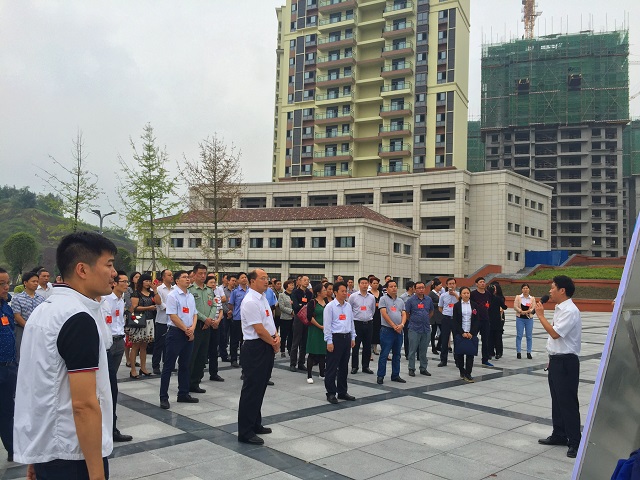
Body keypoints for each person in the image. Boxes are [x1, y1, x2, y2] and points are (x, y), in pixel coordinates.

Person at [14, 232, 116, 479]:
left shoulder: (44, 311)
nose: (114, 273)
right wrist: (97, 474)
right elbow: (84, 405)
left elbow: (36, 388)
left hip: (51, 451)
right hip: (73, 455)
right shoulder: (77, 318)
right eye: (109, 265)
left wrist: (36, 456)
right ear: (82, 269)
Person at [535, 275, 582, 459]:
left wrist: (540, 316)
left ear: (562, 290)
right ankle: (559, 434)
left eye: (553, 287)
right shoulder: (560, 308)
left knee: (568, 403)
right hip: (556, 360)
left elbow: (555, 334)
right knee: (557, 400)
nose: (550, 291)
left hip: (566, 362)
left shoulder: (570, 310)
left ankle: (575, 442)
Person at [237, 269, 279, 445]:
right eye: (262, 278)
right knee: (251, 389)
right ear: (252, 281)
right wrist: (273, 343)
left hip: (266, 344)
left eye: (267, 278)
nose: (266, 281)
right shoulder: (250, 301)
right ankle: (245, 432)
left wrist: (276, 336)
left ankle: (255, 423)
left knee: (260, 387)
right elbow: (259, 329)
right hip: (255, 347)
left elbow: (269, 323)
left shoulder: (263, 298)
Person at [159, 270, 198, 409]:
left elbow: (194, 314)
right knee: (169, 366)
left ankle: (183, 393)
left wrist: (192, 329)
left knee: (185, 365)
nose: (188, 279)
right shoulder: (172, 295)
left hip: (189, 333)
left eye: (188, 277)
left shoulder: (190, 296)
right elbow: (173, 316)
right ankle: (163, 397)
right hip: (176, 333)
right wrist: (186, 329)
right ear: (177, 280)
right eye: (184, 277)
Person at [102, 271, 133, 442]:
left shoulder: (122, 300)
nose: (126, 284)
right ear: (114, 283)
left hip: (119, 341)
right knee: (107, 384)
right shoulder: (106, 299)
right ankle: (109, 427)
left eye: (127, 282)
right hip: (108, 342)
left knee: (112, 379)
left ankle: (111, 426)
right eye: (124, 281)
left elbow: (119, 320)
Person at [324, 281, 356, 404]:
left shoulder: (348, 306)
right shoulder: (330, 307)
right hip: (335, 338)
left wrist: (352, 337)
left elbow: (351, 322)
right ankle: (331, 392)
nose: (345, 293)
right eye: (342, 291)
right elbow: (327, 325)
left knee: (344, 366)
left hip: (346, 338)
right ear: (335, 292)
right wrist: (329, 341)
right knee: (332, 367)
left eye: (345, 291)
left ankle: (342, 391)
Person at [187, 265, 217, 393]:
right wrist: (205, 319)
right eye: (200, 273)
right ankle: (187, 383)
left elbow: (214, 305)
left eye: (205, 273)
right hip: (196, 325)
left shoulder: (209, 290)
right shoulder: (190, 290)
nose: (203, 276)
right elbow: (192, 308)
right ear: (194, 275)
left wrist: (209, 319)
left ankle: (196, 382)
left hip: (207, 326)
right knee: (192, 356)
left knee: (202, 356)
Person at [375, 280, 407, 384]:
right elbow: (384, 313)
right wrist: (393, 326)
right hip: (387, 330)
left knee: (397, 354)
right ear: (387, 289)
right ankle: (380, 375)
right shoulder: (383, 299)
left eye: (395, 286)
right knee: (384, 354)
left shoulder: (400, 301)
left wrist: (402, 325)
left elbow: (404, 313)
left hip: (399, 330)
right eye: (391, 286)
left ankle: (395, 375)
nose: (394, 288)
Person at [0, 267, 17, 462]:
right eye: (2, 284)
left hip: (9, 367)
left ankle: (13, 448)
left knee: (7, 410)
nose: (6, 287)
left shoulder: (6, 306)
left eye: (7, 283)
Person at [129, 274, 159, 378]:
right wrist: (148, 308)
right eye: (146, 281)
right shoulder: (136, 293)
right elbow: (135, 307)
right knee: (135, 346)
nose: (148, 283)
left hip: (149, 321)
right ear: (141, 282)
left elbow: (159, 302)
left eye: (149, 281)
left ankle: (143, 367)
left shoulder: (151, 293)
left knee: (144, 346)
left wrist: (155, 290)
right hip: (139, 321)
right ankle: (133, 369)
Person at [11, 271, 45, 363]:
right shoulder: (17, 298)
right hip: (21, 329)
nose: (36, 283)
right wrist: (29, 327)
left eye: (37, 281)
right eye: (33, 281)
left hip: (38, 330)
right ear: (25, 283)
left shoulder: (41, 299)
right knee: (21, 354)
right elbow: (17, 316)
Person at [405, 281, 434, 377]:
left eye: (422, 287)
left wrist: (425, 319)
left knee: (423, 350)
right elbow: (407, 313)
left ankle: (423, 368)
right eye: (418, 288)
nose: (421, 289)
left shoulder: (428, 299)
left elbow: (431, 311)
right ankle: (411, 368)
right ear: (414, 289)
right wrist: (414, 320)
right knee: (412, 350)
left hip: (426, 328)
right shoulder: (410, 300)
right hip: (414, 328)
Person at [452, 287, 481, 383]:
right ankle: (462, 370)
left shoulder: (474, 305)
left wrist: (472, 332)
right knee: (459, 354)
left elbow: (476, 320)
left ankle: (468, 373)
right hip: (460, 332)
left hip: (471, 333)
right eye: (464, 293)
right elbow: (455, 321)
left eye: (468, 293)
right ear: (460, 294)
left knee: (470, 354)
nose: (466, 295)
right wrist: (462, 332)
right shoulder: (457, 306)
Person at [348, 277, 375, 375]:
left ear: (368, 284)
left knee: (367, 346)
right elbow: (349, 309)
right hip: (357, 323)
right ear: (359, 284)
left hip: (368, 323)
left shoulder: (371, 297)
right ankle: (354, 366)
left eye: (366, 283)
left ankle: (365, 366)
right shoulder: (353, 296)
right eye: (362, 283)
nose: (364, 285)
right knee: (355, 346)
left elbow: (372, 310)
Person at [290, 275, 312, 372]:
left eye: (308, 280)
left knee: (304, 342)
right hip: (298, 318)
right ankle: (292, 363)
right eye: (304, 280)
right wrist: (303, 305)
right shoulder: (295, 292)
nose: (306, 282)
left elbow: (310, 306)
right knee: (296, 341)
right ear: (300, 281)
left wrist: (301, 305)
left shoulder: (309, 293)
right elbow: (295, 306)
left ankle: (301, 362)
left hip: (306, 319)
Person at [153, 269, 173, 375]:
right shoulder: (159, 289)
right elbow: (159, 304)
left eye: (172, 275)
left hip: (172, 321)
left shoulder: (175, 289)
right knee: (159, 344)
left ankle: (168, 364)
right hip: (162, 320)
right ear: (163, 277)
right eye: (169, 275)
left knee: (169, 345)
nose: (171, 277)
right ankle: (155, 365)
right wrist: (171, 309)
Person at [306, 283, 327, 384]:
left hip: (325, 330)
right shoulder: (312, 302)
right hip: (315, 330)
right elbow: (309, 317)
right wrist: (320, 326)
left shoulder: (327, 302)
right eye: (324, 290)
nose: (326, 292)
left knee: (323, 352)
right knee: (313, 352)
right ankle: (309, 375)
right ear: (318, 293)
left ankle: (322, 373)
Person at [469, 277, 493, 367]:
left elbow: (489, 304)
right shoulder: (473, 294)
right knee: (473, 338)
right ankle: (470, 357)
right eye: (480, 282)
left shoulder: (488, 294)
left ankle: (485, 359)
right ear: (476, 284)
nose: (483, 283)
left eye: (484, 282)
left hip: (485, 320)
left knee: (485, 340)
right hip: (476, 320)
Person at [205, 274, 225, 382]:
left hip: (216, 325)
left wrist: (217, 321)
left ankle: (214, 373)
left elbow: (220, 310)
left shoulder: (217, 296)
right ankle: (197, 375)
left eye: (214, 283)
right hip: (206, 325)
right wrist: (210, 321)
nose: (213, 284)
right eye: (211, 282)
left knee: (214, 350)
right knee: (203, 350)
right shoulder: (204, 296)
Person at [228, 272, 249, 368]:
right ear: (238, 280)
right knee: (235, 340)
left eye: (245, 277)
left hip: (247, 320)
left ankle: (243, 359)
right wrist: (234, 312)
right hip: (237, 318)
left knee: (244, 341)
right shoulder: (235, 292)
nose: (244, 279)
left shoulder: (250, 291)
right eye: (242, 277)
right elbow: (231, 305)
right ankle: (233, 359)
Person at [437, 278, 459, 367]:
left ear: (455, 285)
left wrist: (455, 295)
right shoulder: (443, 295)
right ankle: (443, 360)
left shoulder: (459, 294)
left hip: (456, 319)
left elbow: (462, 303)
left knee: (457, 339)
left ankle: (458, 360)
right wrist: (445, 313)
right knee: (444, 339)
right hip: (446, 318)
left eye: (453, 283)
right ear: (447, 285)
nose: (451, 285)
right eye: (450, 284)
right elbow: (440, 307)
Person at [514, 283, 536, 359]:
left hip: (529, 319)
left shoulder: (532, 298)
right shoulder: (518, 297)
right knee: (519, 335)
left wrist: (528, 311)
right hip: (520, 318)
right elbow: (515, 306)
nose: (525, 290)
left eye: (527, 288)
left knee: (529, 336)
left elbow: (534, 308)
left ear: (529, 289)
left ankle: (529, 352)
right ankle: (518, 352)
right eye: (524, 288)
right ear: (521, 289)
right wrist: (521, 311)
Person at [124, 271, 141, 368]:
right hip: (130, 314)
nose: (138, 279)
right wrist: (132, 311)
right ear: (132, 279)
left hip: (139, 315)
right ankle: (128, 360)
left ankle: (133, 359)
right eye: (136, 277)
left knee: (137, 339)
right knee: (128, 338)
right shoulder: (128, 289)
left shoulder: (141, 289)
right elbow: (128, 303)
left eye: (139, 277)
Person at [487, 282, 507, 360]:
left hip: (488, 320)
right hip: (497, 320)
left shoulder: (486, 299)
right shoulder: (498, 299)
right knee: (498, 337)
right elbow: (504, 307)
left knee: (490, 337)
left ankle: (490, 352)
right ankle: (499, 352)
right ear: (494, 291)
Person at [278, 280, 295, 358]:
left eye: (292, 285)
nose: (292, 286)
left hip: (293, 318)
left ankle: (290, 349)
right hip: (285, 318)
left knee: (291, 334)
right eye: (290, 285)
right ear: (286, 286)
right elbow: (281, 307)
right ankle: (282, 350)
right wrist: (291, 311)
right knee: (284, 335)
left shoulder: (294, 295)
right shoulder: (282, 295)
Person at [400, 281, 415, 359]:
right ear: (410, 288)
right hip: (406, 318)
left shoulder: (415, 296)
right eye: (414, 287)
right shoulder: (402, 297)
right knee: (407, 336)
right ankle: (407, 353)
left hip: (414, 318)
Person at [429, 278, 444, 354]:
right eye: (440, 285)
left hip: (440, 315)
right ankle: (433, 347)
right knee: (434, 331)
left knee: (443, 331)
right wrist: (439, 304)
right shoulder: (431, 294)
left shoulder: (440, 293)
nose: (441, 286)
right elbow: (430, 303)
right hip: (434, 315)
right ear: (435, 286)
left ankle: (438, 345)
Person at [369, 277, 382, 356]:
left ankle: (375, 348)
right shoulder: (368, 294)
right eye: (374, 283)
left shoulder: (381, 293)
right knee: (371, 333)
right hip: (371, 315)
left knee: (378, 332)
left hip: (380, 315)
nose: (376, 285)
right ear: (370, 284)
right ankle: (370, 352)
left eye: (377, 283)